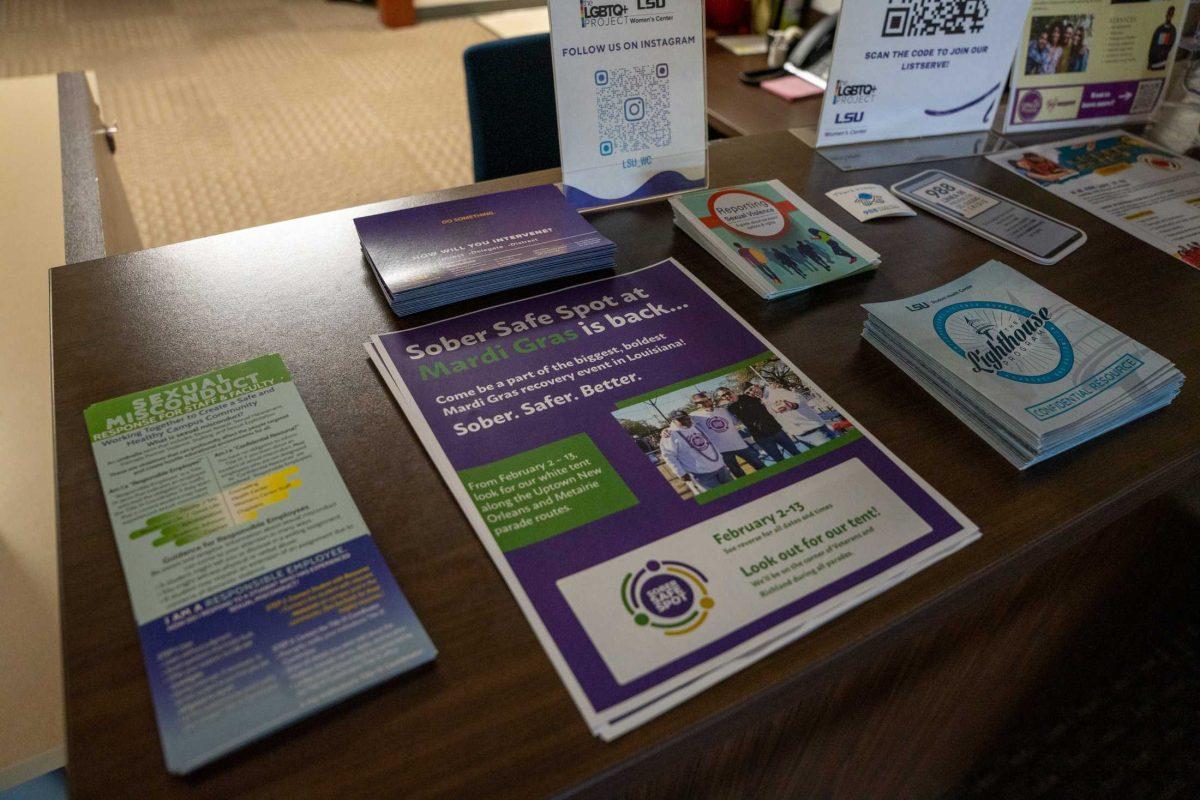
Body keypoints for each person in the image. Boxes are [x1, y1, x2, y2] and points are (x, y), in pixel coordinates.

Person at [689, 391, 764, 478]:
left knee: (759, 465)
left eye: (705, 400)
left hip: (739, 444)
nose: (703, 404)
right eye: (699, 403)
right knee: (738, 473)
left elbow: (736, 422)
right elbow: (679, 426)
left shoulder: (723, 410)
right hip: (722, 451)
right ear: (696, 405)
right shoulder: (693, 416)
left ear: (710, 399)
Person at [719, 384, 800, 463]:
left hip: (776, 430)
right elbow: (734, 422)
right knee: (780, 461)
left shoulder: (750, 396)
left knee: (797, 454)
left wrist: (773, 386)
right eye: (723, 396)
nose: (726, 396)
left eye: (727, 393)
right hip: (761, 438)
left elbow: (764, 392)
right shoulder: (730, 408)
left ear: (731, 391)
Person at [661, 411, 732, 493]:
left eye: (686, 417)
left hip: (720, 467)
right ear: (673, 421)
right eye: (681, 419)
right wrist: (680, 473)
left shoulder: (695, 426)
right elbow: (668, 455)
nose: (685, 420)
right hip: (701, 474)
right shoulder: (670, 435)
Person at [764, 380, 830, 447]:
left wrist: (787, 405)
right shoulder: (768, 401)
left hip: (816, 432)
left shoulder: (784, 393)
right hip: (800, 436)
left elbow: (795, 404)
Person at [1149, 6, 1177, 71]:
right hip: (1153, 61)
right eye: (1168, 13)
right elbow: (1152, 45)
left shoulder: (1172, 30)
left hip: (1162, 62)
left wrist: (1161, 53)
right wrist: (1149, 61)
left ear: (1172, 15)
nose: (1169, 16)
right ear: (1166, 14)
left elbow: (1169, 46)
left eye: (1171, 14)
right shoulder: (1159, 29)